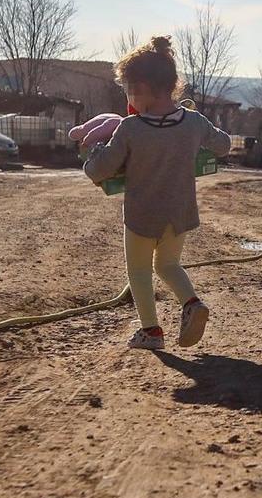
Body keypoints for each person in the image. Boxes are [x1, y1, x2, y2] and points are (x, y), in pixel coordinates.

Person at [83, 35, 232, 350]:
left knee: (138, 269)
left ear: (140, 88)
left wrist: (93, 153)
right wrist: (202, 133)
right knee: (167, 264)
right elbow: (223, 145)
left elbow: (100, 170)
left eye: (128, 91)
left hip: (142, 216)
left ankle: (151, 332)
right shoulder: (193, 122)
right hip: (179, 213)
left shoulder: (130, 129)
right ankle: (191, 303)